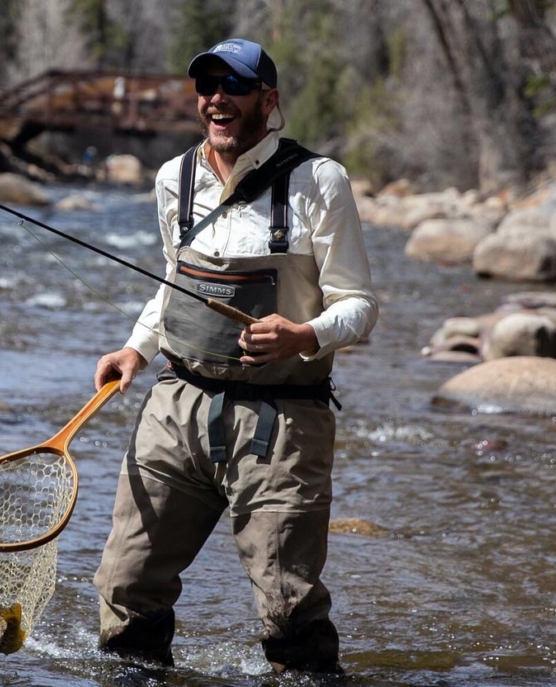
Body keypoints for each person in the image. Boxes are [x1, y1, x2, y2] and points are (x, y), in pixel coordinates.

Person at [91, 38, 378, 674]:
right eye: (207, 86)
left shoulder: (318, 182)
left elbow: (359, 305)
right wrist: (135, 349)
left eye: (235, 86)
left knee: (288, 605)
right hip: (175, 405)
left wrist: (305, 336)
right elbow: (171, 283)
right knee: (125, 584)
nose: (217, 98)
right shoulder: (174, 178)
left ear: (267, 101)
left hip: (282, 420)